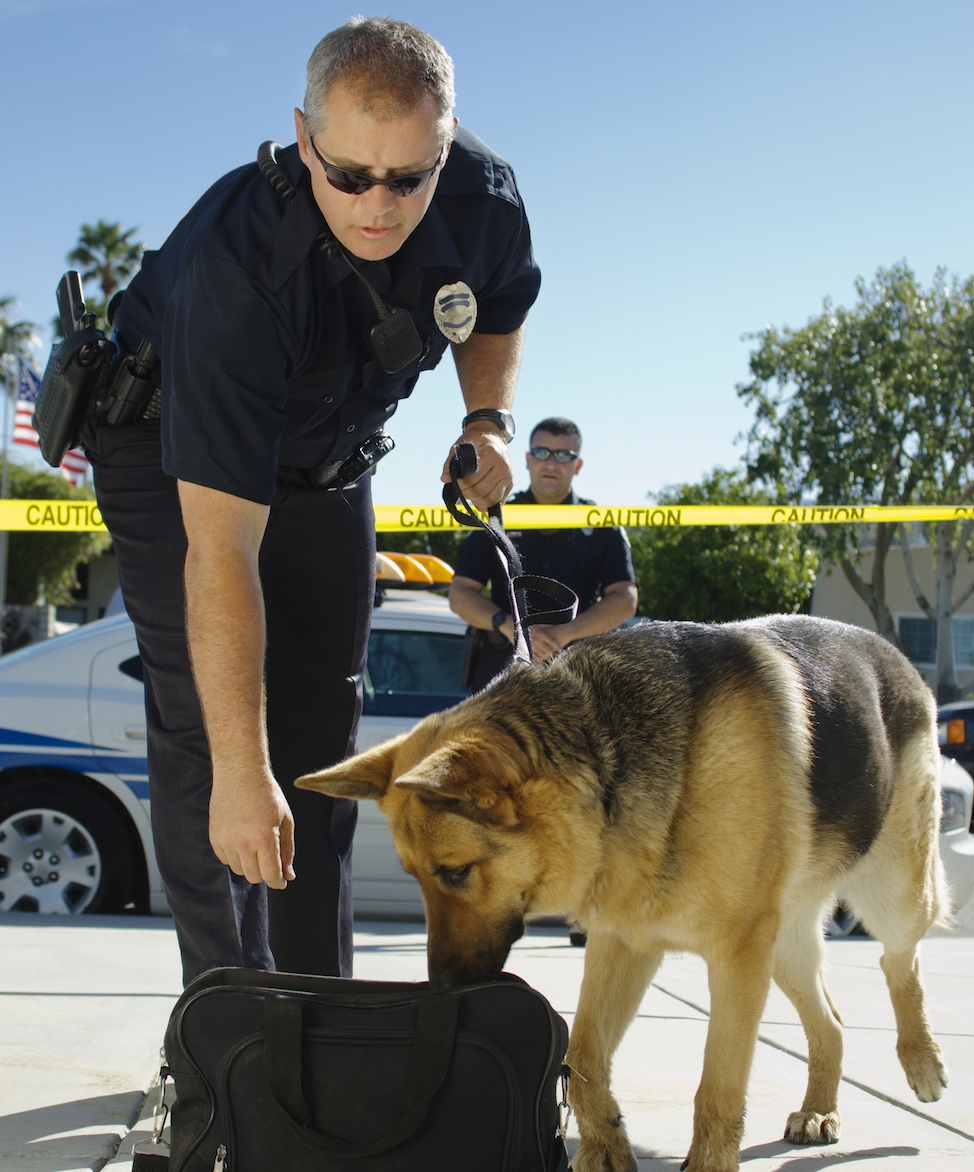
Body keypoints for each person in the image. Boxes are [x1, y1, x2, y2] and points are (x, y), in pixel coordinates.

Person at [82, 18, 540, 985]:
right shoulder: (239, 267)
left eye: (408, 179)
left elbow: (498, 307)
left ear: (445, 148)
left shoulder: (485, 198)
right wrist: (244, 776)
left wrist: (489, 419)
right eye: (350, 176)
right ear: (302, 137)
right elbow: (222, 552)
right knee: (219, 747)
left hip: (328, 450)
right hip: (170, 443)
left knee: (321, 742)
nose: (379, 207)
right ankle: (234, 1025)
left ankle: (319, 1011)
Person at [449, 418, 637, 689]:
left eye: (563, 455)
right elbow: (460, 594)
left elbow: (625, 599)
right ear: (527, 459)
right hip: (503, 676)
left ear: (577, 465)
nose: (551, 463)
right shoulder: (496, 518)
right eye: (541, 453)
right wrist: (512, 627)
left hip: (582, 678)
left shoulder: (601, 524)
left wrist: (563, 634)